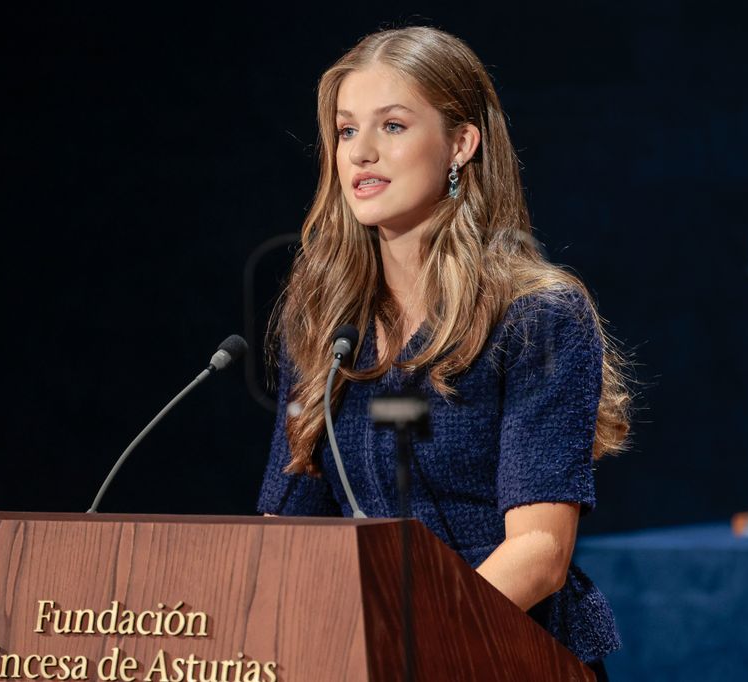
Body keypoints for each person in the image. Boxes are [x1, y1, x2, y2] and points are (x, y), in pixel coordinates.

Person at [256, 26, 631, 676]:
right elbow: (285, 524)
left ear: (461, 142)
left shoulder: (538, 317)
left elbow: (540, 551)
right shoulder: (324, 322)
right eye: (347, 131)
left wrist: (414, 643)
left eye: (392, 126)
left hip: (504, 652)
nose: (362, 153)